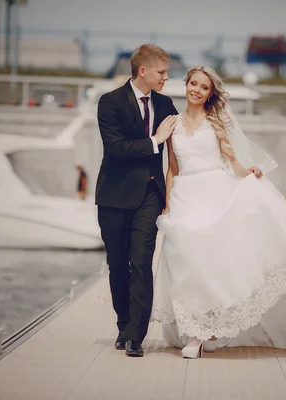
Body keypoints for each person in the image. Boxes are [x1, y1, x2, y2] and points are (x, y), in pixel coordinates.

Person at [151, 66, 286, 359]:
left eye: (204, 87)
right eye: (193, 84)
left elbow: (233, 162)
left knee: (212, 264)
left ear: (210, 93)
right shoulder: (173, 125)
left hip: (215, 192)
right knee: (185, 264)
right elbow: (172, 169)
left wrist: (247, 172)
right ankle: (196, 327)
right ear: (186, 84)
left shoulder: (216, 122)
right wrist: (167, 204)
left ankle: (201, 333)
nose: (197, 90)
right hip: (185, 196)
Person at [95, 44, 178, 357]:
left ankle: (135, 336)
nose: (165, 78)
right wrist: (155, 141)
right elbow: (116, 149)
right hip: (114, 196)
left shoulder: (166, 103)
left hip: (150, 195)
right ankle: (123, 323)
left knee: (142, 262)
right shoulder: (110, 103)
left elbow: (180, 144)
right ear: (142, 71)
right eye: (161, 72)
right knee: (118, 265)